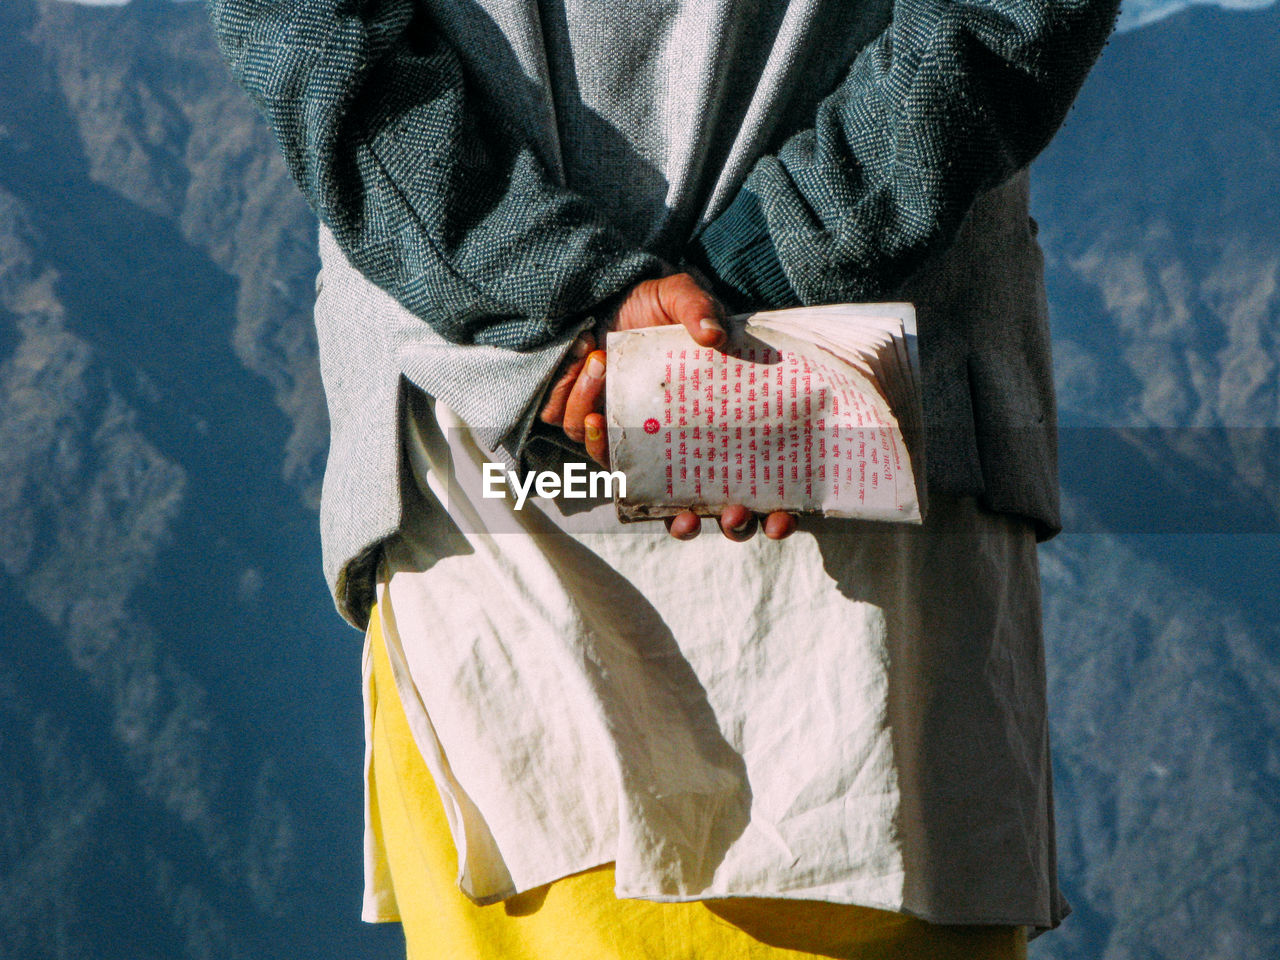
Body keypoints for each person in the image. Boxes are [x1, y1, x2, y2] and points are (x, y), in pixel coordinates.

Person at [210, 0, 1120, 956]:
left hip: (503, 426)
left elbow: (306, 27)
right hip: (867, 394)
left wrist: (553, 295)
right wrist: (776, 260)